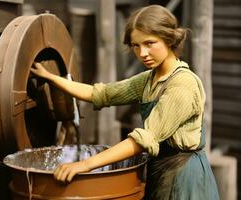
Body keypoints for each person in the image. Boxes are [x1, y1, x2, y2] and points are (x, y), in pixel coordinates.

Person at [31, 4, 219, 200]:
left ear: (169, 39)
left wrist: (84, 165)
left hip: (186, 178)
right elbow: (102, 93)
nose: (142, 53)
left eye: (149, 43)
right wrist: (51, 77)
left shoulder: (182, 84)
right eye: (136, 45)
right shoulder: (149, 79)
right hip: (160, 171)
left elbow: (143, 139)